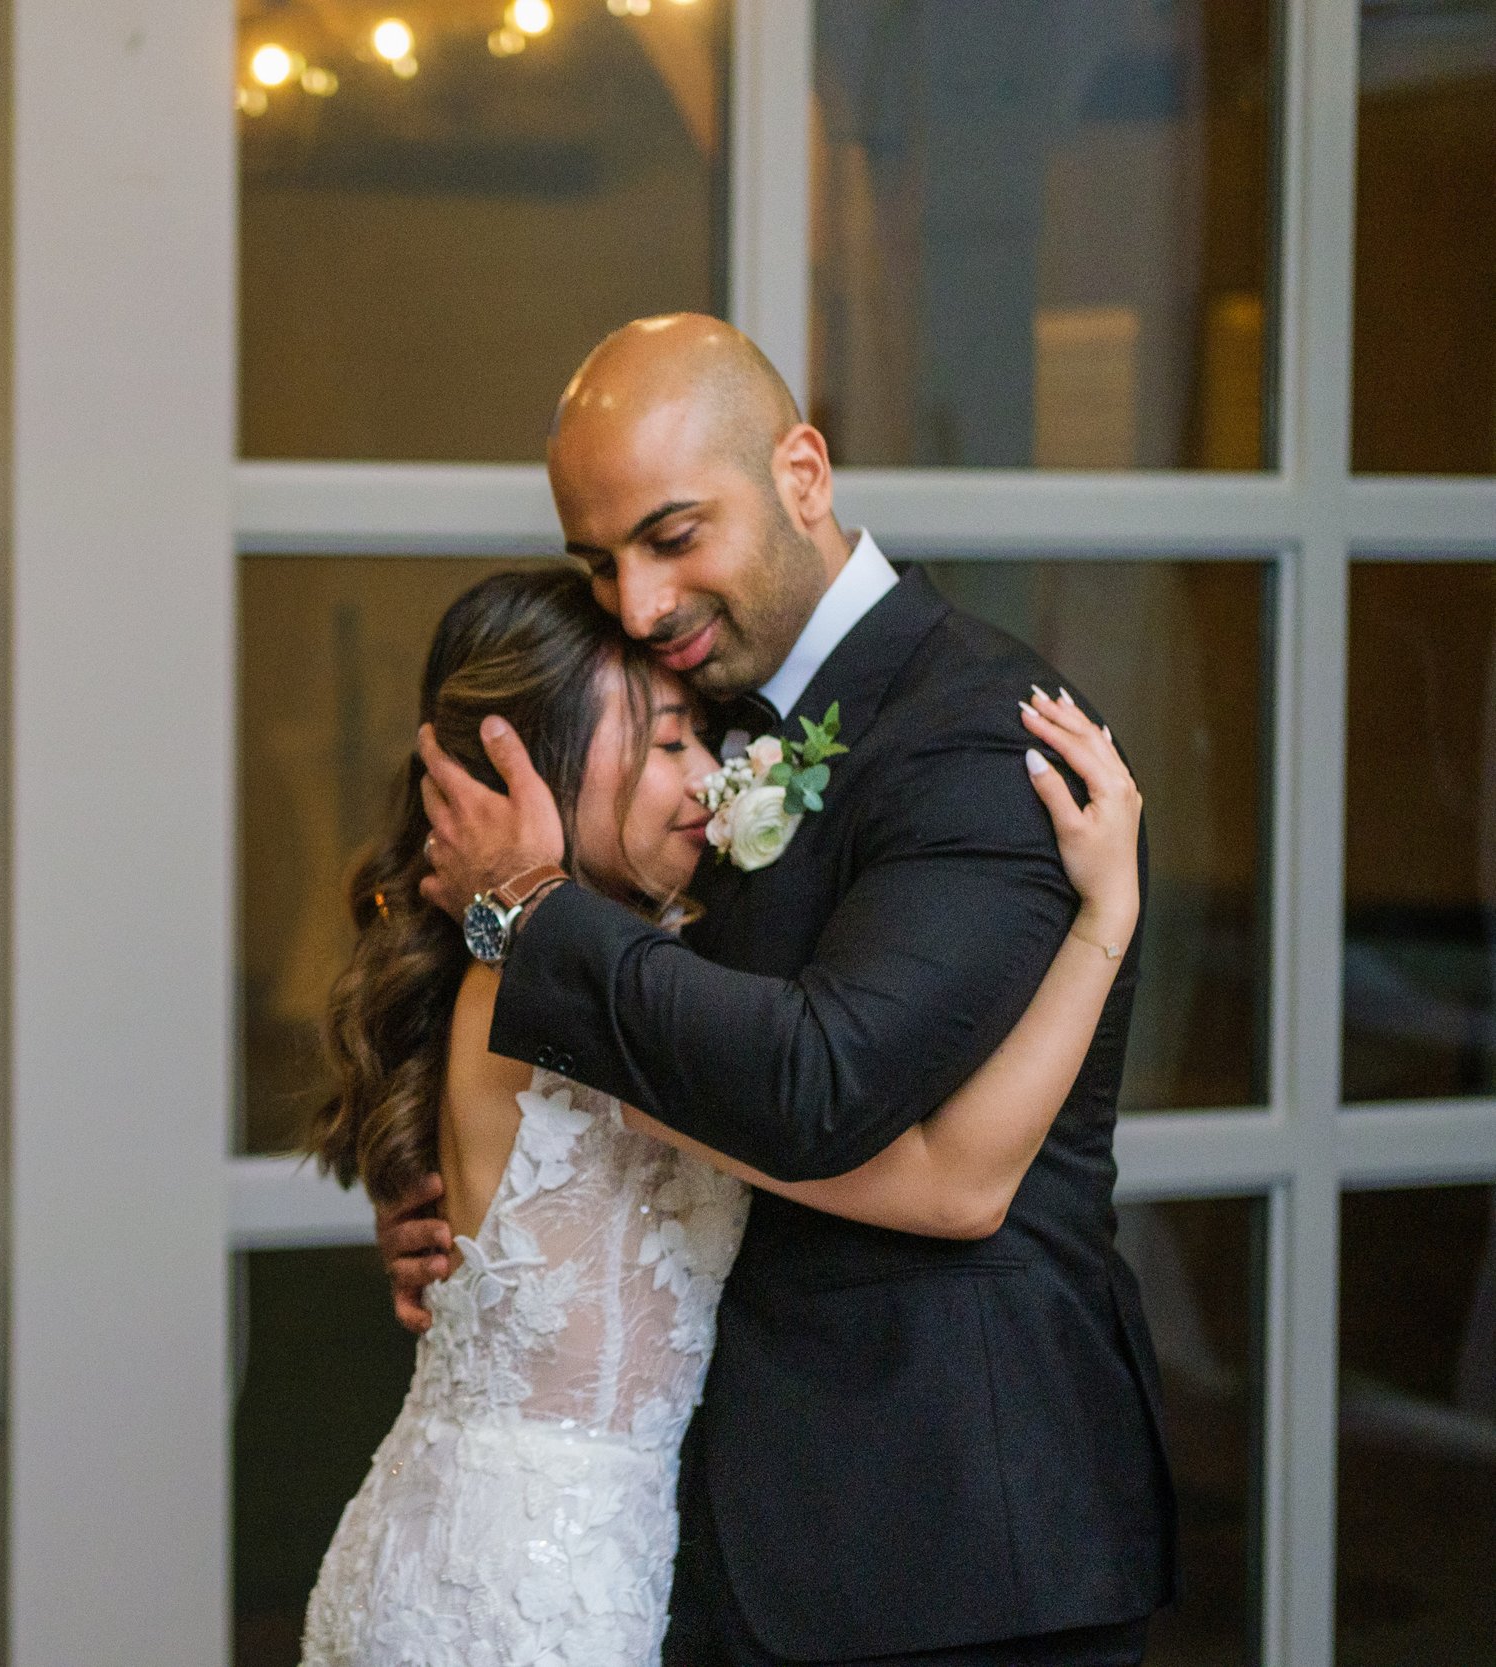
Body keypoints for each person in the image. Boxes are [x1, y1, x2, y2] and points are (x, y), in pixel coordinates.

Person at [382, 316, 1175, 1666]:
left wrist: (532, 918)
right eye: (602, 560)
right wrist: (492, 1244)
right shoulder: (699, 712)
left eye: (673, 535)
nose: (635, 603)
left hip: (944, 1548)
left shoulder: (981, 733)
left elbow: (822, 1090)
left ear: (804, 474)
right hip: (706, 1540)